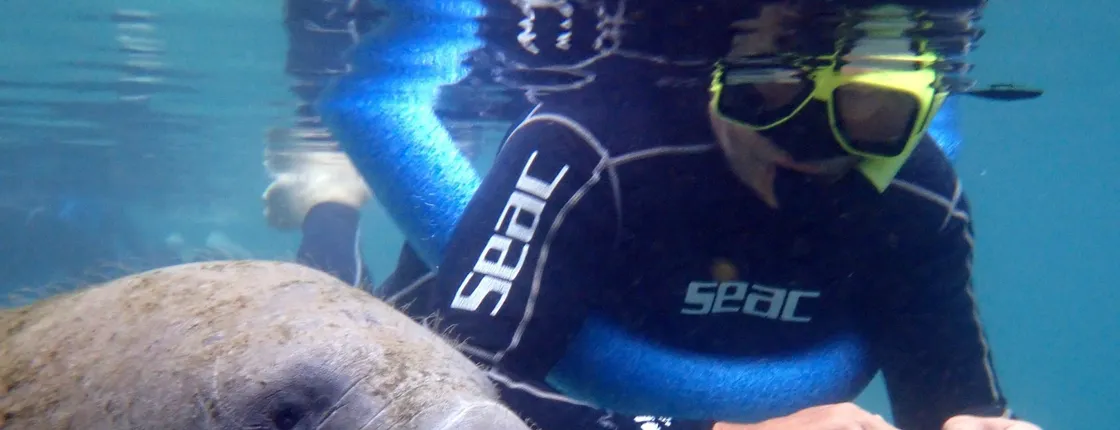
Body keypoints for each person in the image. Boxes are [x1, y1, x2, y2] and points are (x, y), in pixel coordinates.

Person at [265, 0, 1046, 429]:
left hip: (662, 403)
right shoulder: (590, 149)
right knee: (326, 337)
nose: (810, 147)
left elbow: (961, 410)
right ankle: (327, 203)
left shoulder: (918, 201)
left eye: (871, 111)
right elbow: (452, 393)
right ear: (717, 71)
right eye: (768, 93)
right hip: (506, 349)